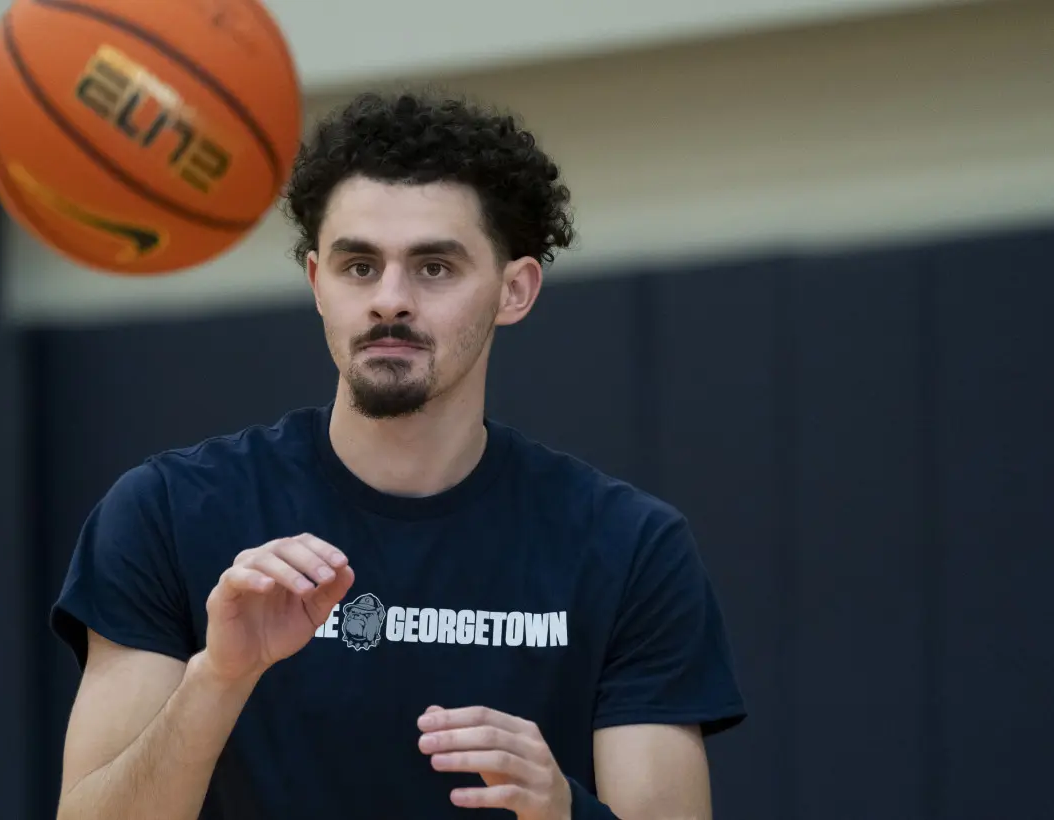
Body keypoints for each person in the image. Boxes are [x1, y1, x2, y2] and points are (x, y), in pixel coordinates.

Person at [50, 90, 746, 820]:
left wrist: (562, 811)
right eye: (359, 267)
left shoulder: (629, 548)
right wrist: (219, 677)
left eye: (434, 268)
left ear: (515, 290)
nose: (389, 300)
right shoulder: (167, 513)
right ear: (318, 283)